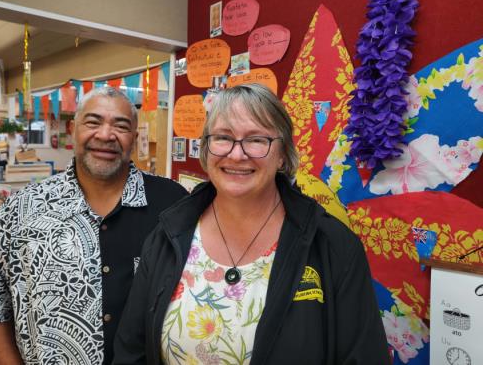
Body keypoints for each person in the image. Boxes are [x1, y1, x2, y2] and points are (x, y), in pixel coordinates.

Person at [113, 84, 389, 364]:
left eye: (257, 140)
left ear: (282, 154)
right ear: (207, 148)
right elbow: (131, 350)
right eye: (223, 137)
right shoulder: (169, 233)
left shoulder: (332, 245)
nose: (236, 154)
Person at [0, 86, 188, 364]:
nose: (105, 135)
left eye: (121, 126)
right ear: (72, 128)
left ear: (134, 138)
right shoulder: (20, 210)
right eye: (93, 122)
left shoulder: (174, 206)